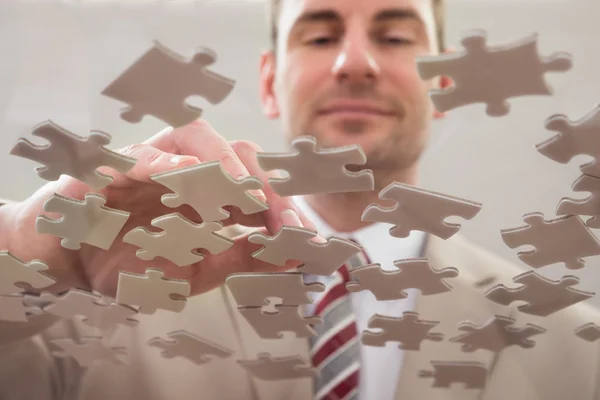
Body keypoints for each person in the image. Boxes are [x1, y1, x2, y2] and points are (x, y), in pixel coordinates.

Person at [1, 0, 599, 399]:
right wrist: (27, 251)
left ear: (442, 83)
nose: (355, 63)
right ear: (269, 82)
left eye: (393, 37)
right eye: (319, 35)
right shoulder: (87, 295)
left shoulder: (574, 343)